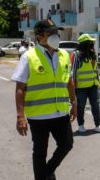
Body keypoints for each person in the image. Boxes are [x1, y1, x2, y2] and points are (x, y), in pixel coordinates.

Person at [12, 19, 77, 180]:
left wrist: (74, 104)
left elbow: (69, 82)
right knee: (40, 151)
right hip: (38, 115)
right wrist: (20, 116)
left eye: (57, 32)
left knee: (67, 144)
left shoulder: (64, 55)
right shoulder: (29, 57)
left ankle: (47, 171)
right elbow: (20, 88)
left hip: (60, 112)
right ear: (39, 36)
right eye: (51, 33)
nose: (56, 36)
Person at [71, 33, 100, 134]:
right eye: (90, 42)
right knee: (81, 106)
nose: (92, 44)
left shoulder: (92, 54)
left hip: (93, 86)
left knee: (95, 105)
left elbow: (95, 70)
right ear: (85, 44)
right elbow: (72, 73)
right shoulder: (76, 55)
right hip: (81, 87)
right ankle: (81, 125)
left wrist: (98, 83)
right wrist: (72, 90)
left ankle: (98, 125)